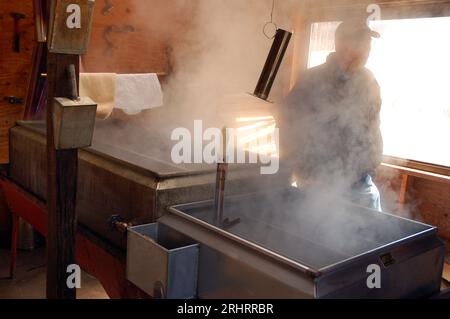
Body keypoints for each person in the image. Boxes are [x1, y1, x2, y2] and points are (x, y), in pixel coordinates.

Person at [276, 20, 383, 211]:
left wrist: (371, 166)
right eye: (362, 43)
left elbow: (372, 127)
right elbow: (285, 121)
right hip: (321, 181)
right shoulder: (311, 80)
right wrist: (301, 169)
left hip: (362, 182)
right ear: (342, 44)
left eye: (369, 44)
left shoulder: (369, 81)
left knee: (374, 237)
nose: (367, 50)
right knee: (326, 236)